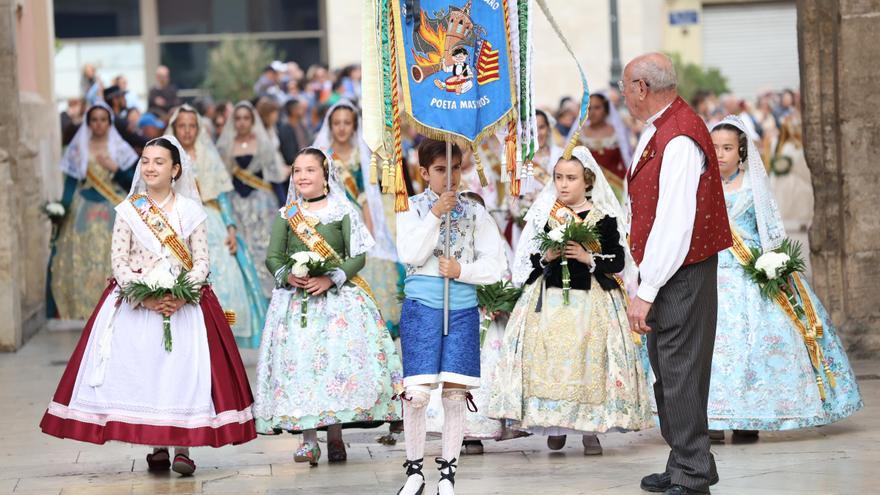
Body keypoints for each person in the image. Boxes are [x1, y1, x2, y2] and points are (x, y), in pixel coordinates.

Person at [40, 136, 257, 475]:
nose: (150, 167)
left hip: (184, 305)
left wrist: (182, 293)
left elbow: (201, 260)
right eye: (145, 160)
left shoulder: (191, 211)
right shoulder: (128, 211)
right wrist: (147, 294)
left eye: (159, 161)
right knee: (148, 373)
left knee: (183, 373)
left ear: (175, 170)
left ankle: (184, 447)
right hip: (138, 304)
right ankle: (156, 445)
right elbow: (119, 262)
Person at [706, 116, 862, 441]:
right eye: (715, 147)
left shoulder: (753, 186)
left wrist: (774, 264)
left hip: (751, 273)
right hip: (711, 275)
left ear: (742, 151)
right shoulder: (699, 186)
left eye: (727, 147)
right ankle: (713, 418)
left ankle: (750, 418)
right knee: (714, 347)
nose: (720, 154)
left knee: (755, 345)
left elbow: (770, 230)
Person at [490, 146, 653, 455]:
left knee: (589, 362)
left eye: (571, 178)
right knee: (550, 361)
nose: (563, 184)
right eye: (559, 178)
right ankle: (554, 425)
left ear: (588, 180)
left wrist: (588, 257)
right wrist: (546, 256)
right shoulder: (547, 214)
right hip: (549, 301)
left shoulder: (603, 217)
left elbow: (618, 260)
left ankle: (592, 429)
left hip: (592, 302)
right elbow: (529, 261)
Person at [621, 53, 732, 495]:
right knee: (669, 371)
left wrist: (646, 289)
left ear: (643, 88)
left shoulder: (680, 137)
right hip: (670, 269)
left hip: (680, 271)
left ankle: (692, 475)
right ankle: (686, 460)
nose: (624, 93)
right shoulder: (663, 129)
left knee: (680, 370)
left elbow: (675, 222)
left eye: (626, 84)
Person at [253, 147, 403, 466]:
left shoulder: (342, 211)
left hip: (337, 303)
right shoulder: (287, 214)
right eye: (297, 171)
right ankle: (309, 441)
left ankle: (335, 437)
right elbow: (273, 257)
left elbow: (357, 256)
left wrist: (331, 278)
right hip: (297, 306)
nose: (302, 176)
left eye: (309, 170)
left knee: (334, 367)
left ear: (325, 175)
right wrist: (288, 276)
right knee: (303, 367)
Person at [395, 139, 507, 495]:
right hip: (421, 309)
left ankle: (448, 473)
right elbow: (410, 253)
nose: (450, 177)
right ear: (424, 173)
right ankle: (414, 471)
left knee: (455, 395)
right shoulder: (410, 208)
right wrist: (435, 215)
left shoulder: (475, 211)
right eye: (441, 170)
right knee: (416, 394)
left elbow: (496, 265)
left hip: (460, 309)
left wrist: (462, 269)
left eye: (455, 168)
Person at [167, 105, 269, 348]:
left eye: (192, 126)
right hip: (177, 221)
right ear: (174, 128)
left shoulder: (207, 155)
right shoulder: (166, 156)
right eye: (182, 126)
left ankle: (222, 329)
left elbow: (222, 197)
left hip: (211, 220)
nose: (188, 131)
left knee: (225, 271)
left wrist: (231, 228)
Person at [312, 100, 402, 335]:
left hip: (357, 217)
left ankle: (366, 325)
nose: (342, 128)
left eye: (347, 123)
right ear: (329, 125)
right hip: (328, 219)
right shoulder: (322, 155)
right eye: (337, 123)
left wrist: (370, 228)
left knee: (365, 268)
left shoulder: (361, 155)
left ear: (354, 126)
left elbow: (366, 196)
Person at [48, 103, 139, 320]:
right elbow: (71, 182)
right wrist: (62, 209)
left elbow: (133, 183)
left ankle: (116, 308)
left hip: (113, 207)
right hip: (84, 208)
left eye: (103, 120)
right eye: (94, 120)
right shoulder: (79, 148)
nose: (99, 124)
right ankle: (83, 309)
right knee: (79, 257)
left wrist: (115, 169)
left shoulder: (119, 148)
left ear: (110, 123)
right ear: (89, 123)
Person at [216, 101, 285, 298]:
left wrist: (283, 207)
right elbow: (222, 178)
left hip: (263, 205)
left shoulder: (263, 144)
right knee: (244, 249)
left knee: (265, 248)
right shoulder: (226, 145)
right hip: (237, 204)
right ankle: (250, 295)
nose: (242, 122)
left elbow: (275, 178)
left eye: (246, 118)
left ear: (253, 120)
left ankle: (271, 296)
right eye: (238, 118)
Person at [576, 93, 628, 198]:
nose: (592, 112)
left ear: (606, 110)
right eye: (589, 108)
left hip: (615, 187)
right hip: (588, 190)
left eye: (597, 107)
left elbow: (625, 160)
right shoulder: (579, 136)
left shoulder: (618, 133)